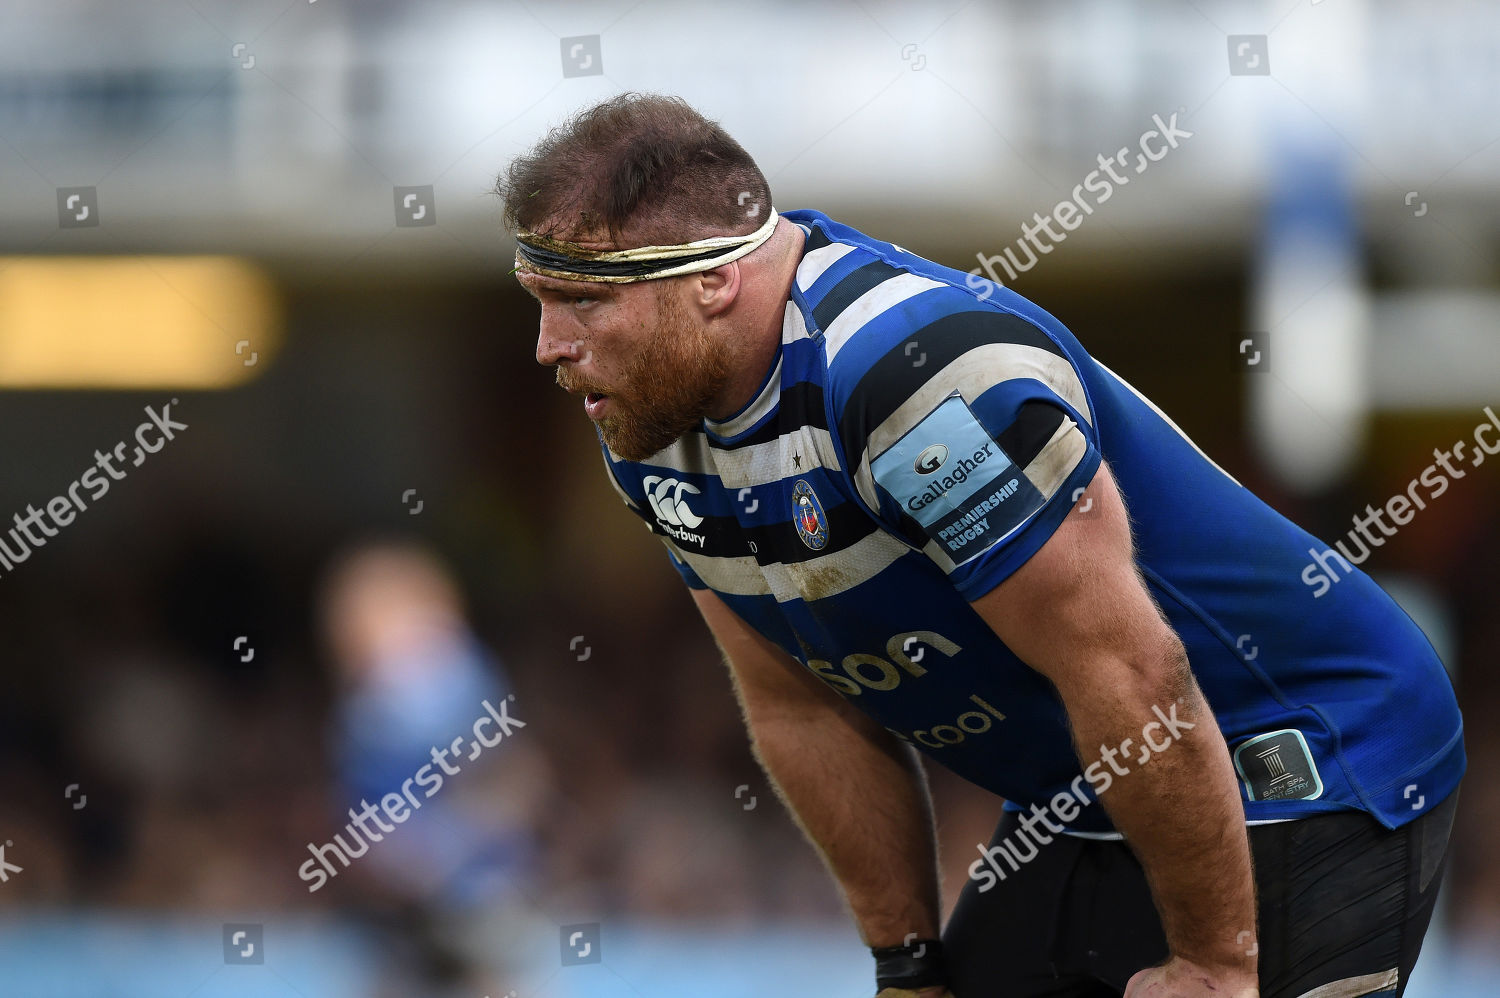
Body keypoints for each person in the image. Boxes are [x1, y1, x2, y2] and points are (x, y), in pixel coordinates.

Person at [496, 93, 1464, 998]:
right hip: (1087, 783)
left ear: (713, 278)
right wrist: (909, 964)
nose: (547, 344)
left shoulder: (917, 380)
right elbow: (803, 708)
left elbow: (1132, 671)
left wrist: (1215, 962)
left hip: (1307, 754)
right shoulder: (652, 415)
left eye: (582, 298)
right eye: (539, 295)